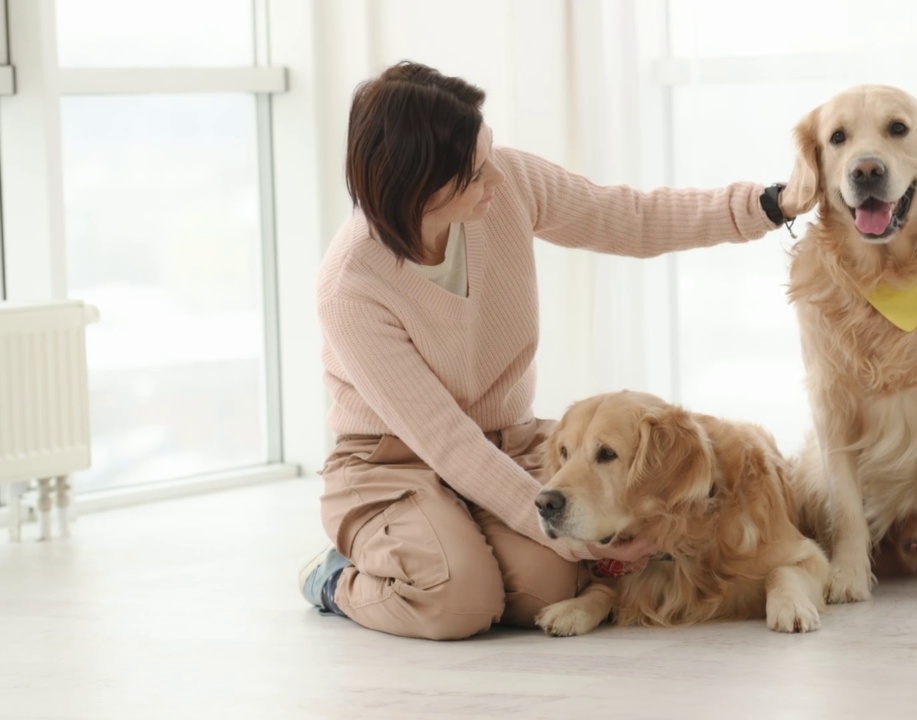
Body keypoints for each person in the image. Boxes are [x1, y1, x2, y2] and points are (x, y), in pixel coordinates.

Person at [298, 60, 802, 641]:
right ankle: (335, 578)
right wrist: (579, 537)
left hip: (508, 445)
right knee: (459, 602)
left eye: (489, 153)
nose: (495, 178)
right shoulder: (352, 286)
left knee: (553, 587)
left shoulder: (506, 184)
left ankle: (449, 542)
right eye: (472, 171)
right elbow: (447, 442)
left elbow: (627, 216)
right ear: (417, 183)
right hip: (393, 465)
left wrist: (768, 205)